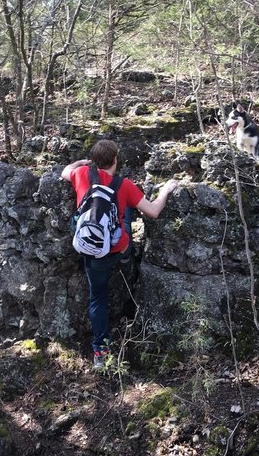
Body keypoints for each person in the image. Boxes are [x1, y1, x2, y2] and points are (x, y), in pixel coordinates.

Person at [61, 139, 178, 368]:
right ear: (115, 160)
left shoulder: (82, 173)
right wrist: (165, 191)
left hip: (90, 247)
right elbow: (153, 211)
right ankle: (127, 257)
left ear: (93, 161)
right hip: (115, 248)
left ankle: (100, 353)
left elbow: (66, 171)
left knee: (98, 299)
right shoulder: (124, 185)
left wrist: (81, 162)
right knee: (124, 208)